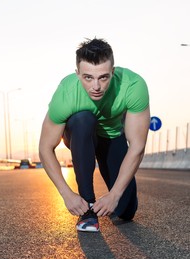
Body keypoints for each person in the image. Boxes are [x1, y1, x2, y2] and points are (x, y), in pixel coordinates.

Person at [39, 38, 150, 232]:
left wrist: (114, 195)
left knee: (126, 210)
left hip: (111, 137)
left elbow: (137, 146)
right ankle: (87, 210)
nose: (96, 86)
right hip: (80, 134)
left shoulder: (133, 86)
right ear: (78, 74)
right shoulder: (66, 92)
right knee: (83, 119)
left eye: (103, 77)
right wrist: (67, 194)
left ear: (113, 72)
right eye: (88, 78)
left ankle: (118, 201)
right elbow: (45, 148)